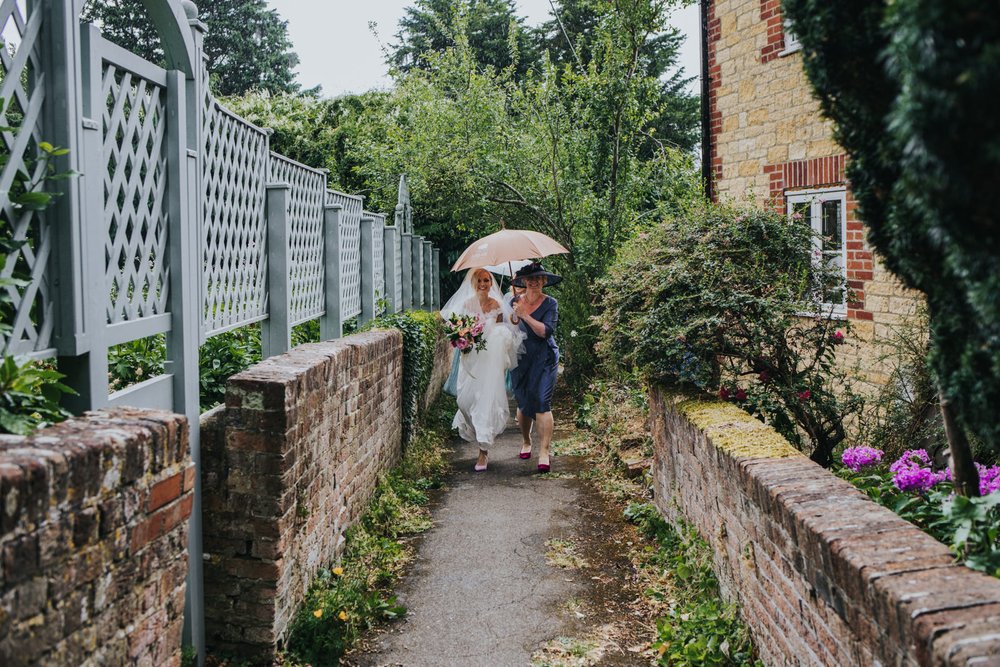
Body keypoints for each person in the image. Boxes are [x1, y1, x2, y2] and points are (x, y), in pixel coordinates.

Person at [440, 268, 524, 471]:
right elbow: (454, 330)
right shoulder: (465, 305)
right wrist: (462, 337)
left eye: (486, 280)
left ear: (490, 282)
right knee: (464, 401)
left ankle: (483, 451)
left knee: (485, 401)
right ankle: (476, 432)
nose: (483, 284)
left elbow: (507, 328)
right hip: (470, 359)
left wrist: (517, 314)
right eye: (479, 280)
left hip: (489, 361)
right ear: (473, 283)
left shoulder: (496, 304)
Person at [509, 262, 561, 472]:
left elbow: (544, 332)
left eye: (539, 279)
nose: (534, 282)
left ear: (544, 281)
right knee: (523, 403)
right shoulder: (515, 300)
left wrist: (525, 315)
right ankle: (527, 441)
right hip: (521, 358)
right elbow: (512, 325)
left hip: (544, 357)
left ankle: (544, 452)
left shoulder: (551, 303)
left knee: (541, 401)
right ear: (523, 282)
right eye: (530, 279)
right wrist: (515, 315)